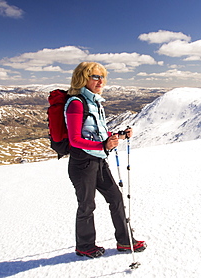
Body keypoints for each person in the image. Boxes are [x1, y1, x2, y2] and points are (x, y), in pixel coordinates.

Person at [65, 61, 146, 258]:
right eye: (95, 76)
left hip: (99, 160)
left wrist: (118, 135)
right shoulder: (76, 103)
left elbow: (98, 132)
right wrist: (102, 146)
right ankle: (84, 246)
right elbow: (75, 139)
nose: (101, 81)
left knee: (115, 198)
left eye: (102, 77)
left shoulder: (94, 102)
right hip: (82, 163)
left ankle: (125, 241)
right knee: (87, 205)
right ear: (83, 78)